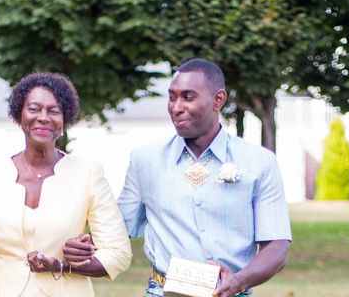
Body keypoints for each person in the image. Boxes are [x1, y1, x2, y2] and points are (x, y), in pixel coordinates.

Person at [64, 58, 291, 297]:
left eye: (188, 97)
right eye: (172, 97)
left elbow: (277, 246)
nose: (176, 107)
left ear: (218, 99)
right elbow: (118, 228)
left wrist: (237, 281)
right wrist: (81, 245)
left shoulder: (260, 162)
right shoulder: (144, 160)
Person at [0, 72, 132, 297]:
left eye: (54, 111)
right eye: (34, 109)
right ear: (20, 115)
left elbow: (119, 253)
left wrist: (65, 264)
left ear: (65, 119)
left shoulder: (88, 173)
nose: (43, 117)